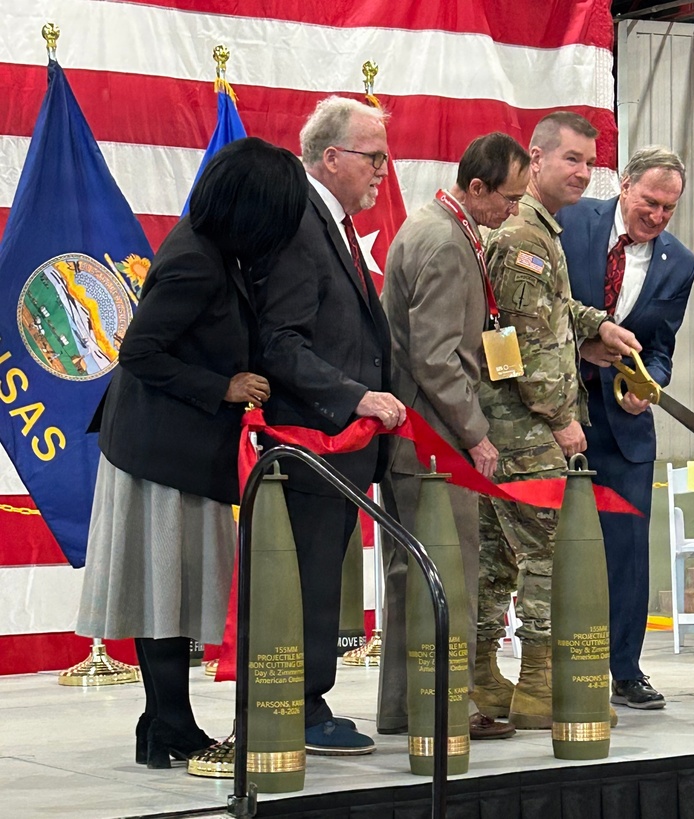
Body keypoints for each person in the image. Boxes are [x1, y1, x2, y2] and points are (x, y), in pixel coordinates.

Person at [76, 137, 307, 768]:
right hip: (159, 454)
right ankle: (169, 723)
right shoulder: (196, 262)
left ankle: (164, 723)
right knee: (164, 593)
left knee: (168, 593)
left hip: (169, 447)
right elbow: (139, 352)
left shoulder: (212, 249)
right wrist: (222, 386)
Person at [473, 112, 639, 729]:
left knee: (497, 557)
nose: (584, 173)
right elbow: (525, 340)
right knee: (548, 550)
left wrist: (598, 324)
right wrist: (562, 417)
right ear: (536, 159)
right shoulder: (524, 236)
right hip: (524, 424)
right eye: (572, 159)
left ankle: (484, 678)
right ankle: (540, 686)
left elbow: (549, 308)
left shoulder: (538, 229)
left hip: (502, 426)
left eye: (590, 163)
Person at [255, 96, 407, 755]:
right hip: (312, 441)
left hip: (340, 448)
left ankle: (305, 697)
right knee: (310, 580)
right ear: (332, 157)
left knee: (322, 578)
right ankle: (299, 705)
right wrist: (355, 396)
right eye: (375, 157)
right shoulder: (299, 225)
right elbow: (280, 342)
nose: (384, 170)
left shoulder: (333, 224)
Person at [377, 132, 531, 741]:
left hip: (412, 438)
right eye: (509, 199)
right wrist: (476, 433)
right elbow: (436, 357)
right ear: (477, 187)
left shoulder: (432, 227)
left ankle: (406, 707)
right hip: (434, 440)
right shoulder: (445, 243)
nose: (512, 212)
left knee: (409, 575)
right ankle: (447, 708)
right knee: (448, 574)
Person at [557, 146, 694, 710]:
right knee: (542, 549)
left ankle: (625, 670)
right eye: (650, 202)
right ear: (625, 186)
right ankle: (545, 670)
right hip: (553, 415)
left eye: (669, 208)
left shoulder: (680, 263)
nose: (658, 216)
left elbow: (661, 348)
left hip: (624, 430)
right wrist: (584, 346)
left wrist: (649, 385)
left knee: (628, 554)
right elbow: (535, 311)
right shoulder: (570, 222)